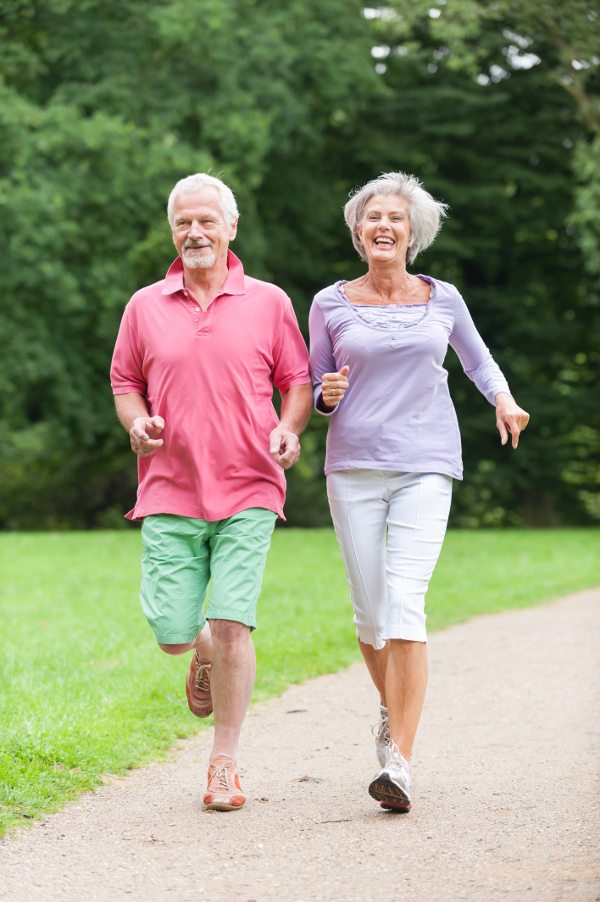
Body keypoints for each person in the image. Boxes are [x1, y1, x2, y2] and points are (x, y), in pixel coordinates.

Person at [308, 171, 529, 812]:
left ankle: (398, 761)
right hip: (353, 466)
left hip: (427, 463)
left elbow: (478, 361)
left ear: (413, 232)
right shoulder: (329, 303)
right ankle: (390, 704)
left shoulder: (444, 298)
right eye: (372, 217)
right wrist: (326, 394)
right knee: (371, 613)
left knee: (406, 603)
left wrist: (505, 401)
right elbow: (315, 375)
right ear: (358, 231)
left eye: (396, 219)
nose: (384, 226)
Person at [110, 173, 312, 812]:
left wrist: (287, 427)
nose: (194, 233)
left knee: (231, 623)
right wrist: (138, 424)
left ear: (230, 227)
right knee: (174, 631)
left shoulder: (269, 301)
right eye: (183, 224)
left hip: (250, 484)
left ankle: (223, 763)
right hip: (169, 488)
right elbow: (124, 382)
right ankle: (196, 652)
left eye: (206, 222)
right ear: (173, 231)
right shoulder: (144, 305)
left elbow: (297, 380)